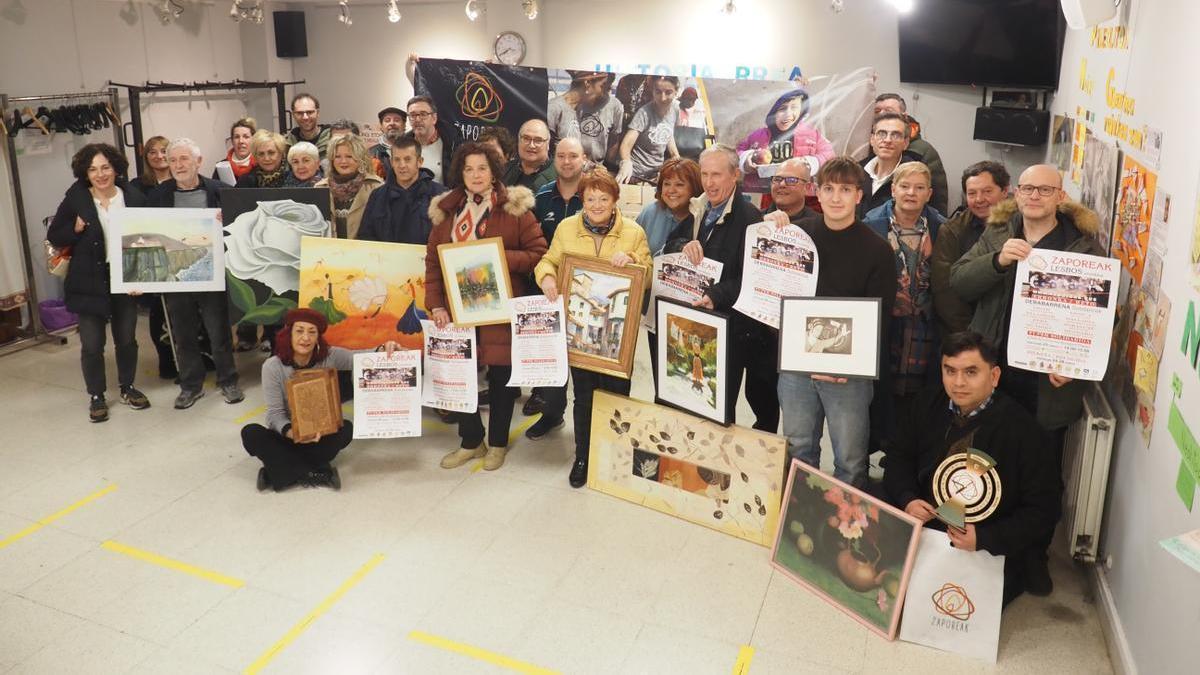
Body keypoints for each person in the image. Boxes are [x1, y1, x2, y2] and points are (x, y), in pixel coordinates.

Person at [950, 164, 1105, 594]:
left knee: (1039, 474)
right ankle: (970, 536)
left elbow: (1093, 320)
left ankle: (1033, 555)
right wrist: (998, 261)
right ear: (1016, 194)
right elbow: (960, 282)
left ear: (1060, 196)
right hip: (994, 373)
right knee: (976, 457)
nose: (1034, 196)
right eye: (1028, 188)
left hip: (1045, 384)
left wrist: (1072, 364)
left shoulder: (1082, 249)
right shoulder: (999, 234)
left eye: (1045, 189)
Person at [882, 331, 1061, 605]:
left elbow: (1043, 509)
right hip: (926, 521)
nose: (958, 383)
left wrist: (986, 538)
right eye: (949, 371)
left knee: (954, 607)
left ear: (995, 376)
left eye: (971, 372)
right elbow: (897, 457)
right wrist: (908, 499)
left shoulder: (1023, 430)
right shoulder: (926, 404)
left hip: (983, 538)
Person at [425, 142, 547, 471]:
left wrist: (499, 259)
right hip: (457, 310)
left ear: (494, 171)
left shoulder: (515, 208)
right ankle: (471, 441)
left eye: (482, 168)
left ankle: (497, 444)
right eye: (469, 169)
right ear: (459, 173)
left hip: (500, 309)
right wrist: (436, 305)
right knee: (459, 375)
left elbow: (539, 254)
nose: (476, 175)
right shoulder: (445, 212)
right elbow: (433, 264)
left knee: (501, 376)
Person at [776, 157, 896, 488]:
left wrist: (845, 364)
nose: (836, 197)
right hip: (796, 368)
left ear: (859, 195)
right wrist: (769, 229)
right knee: (799, 451)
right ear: (817, 192)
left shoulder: (878, 250)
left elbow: (880, 320)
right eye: (828, 188)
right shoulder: (798, 235)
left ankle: (845, 534)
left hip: (848, 374)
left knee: (851, 460)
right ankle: (799, 519)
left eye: (845, 189)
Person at [531, 167, 651, 486]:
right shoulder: (567, 228)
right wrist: (545, 278)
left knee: (617, 396)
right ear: (582, 199)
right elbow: (548, 261)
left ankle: (615, 456)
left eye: (604, 198)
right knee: (583, 396)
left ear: (615, 200)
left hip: (617, 335)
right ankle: (583, 455)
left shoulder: (633, 233)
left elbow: (648, 274)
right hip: (579, 331)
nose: (596, 204)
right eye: (590, 198)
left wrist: (634, 262)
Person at [662, 145, 772, 429]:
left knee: (719, 406)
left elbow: (755, 278)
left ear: (735, 175)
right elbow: (671, 244)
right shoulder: (699, 208)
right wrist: (683, 245)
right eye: (705, 174)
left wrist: (716, 294)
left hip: (731, 329)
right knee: (693, 396)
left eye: (717, 175)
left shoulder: (749, 218)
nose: (709, 182)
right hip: (696, 323)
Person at [46, 143, 151, 422]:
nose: (100, 174)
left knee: (127, 338)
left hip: (124, 277)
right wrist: (75, 228)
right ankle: (97, 395)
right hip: (88, 279)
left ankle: (127, 387)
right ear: (85, 173)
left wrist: (143, 276)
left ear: (115, 168)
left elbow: (149, 238)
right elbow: (55, 236)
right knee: (92, 343)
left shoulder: (133, 197)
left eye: (105, 167)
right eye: (93, 169)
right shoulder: (76, 198)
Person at [242, 308, 401, 491]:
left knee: (346, 429)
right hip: (288, 434)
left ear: (318, 337)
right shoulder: (272, 367)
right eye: (299, 331)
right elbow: (274, 414)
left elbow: (358, 358)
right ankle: (318, 472)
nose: (305, 338)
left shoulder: (329, 356)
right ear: (289, 334)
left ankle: (274, 473)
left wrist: (384, 348)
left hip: (320, 435)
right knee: (250, 432)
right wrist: (292, 433)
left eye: (312, 332)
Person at [147, 138, 244, 409]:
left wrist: (225, 224)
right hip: (175, 277)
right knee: (183, 333)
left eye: (184, 159)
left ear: (198, 162)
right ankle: (191, 385)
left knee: (218, 331)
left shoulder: (220, 191)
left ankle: (228, 380)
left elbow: (237, 227)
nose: (178, 165)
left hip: (211, 274)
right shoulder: (158, 196)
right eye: (174, 160)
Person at [862, 161, 946, 452]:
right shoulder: (870, 226)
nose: (911, 193)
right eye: (905, 186)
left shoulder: (941, 228)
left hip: (924, 327)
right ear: (893, 189)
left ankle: (903, 456)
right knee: (879, 393)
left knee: (917, 395)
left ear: (929, 193)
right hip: (884, 325)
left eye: (919, 187)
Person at [524, 136, 588, 418]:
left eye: (573, 156)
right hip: (547, 288)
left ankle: (586, 424)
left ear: (583, 158)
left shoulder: (594, 195)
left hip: (585, 291)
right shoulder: (541, 195)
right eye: (561, 156)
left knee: (583, 363)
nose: (566, 161)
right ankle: (552, 415)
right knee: (550, 357)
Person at [932, 161, 1010, 337]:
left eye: (987, 192)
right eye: (972, 193)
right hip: (966, 332)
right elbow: (945, 290)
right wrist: (971, 337)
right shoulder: (952, 230)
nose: (979, 199)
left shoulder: (1020, 224)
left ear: (1005, 191)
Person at [736, 88, 834, 195]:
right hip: (763, 194)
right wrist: (746, 160)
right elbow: (738, 151)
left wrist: (811, 163)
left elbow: (829, 154)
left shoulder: (812, 134)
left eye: (794, 108)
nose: (788, 114)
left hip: (800, 196)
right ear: (773, 112)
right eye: (782, 108)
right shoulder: (758, 135)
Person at [358, 135, 447, 244]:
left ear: (419, 161)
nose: (402, 165)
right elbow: (365, 236)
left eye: (407, 159)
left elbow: (446, 239)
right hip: (386, 259)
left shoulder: (439, 195)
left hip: (424, 260)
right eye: (397, 160)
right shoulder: (377, 196)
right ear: (391, 162)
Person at [873, 93, 948, 216]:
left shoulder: (923, 152)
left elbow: (937, 202)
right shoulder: (869, 148)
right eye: (877, 111)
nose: (882, 114)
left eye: (888, 110)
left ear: (904, 116)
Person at [546, 70, 625, 167]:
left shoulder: (579, 109)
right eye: (602, 86)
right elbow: (548, 151)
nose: (605, 93)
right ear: (587, 83)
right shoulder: (554, 108)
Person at [314, 133, 384, 239]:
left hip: (364, 252)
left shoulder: (375, 187)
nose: (343, 161)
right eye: (337, 156)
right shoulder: (320, 188)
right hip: (329, 252)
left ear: (360, 159)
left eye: (349, 156)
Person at [616, 75, 681, 185]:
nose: (663, 98)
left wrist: (675, 155)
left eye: (668, 92)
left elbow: (667, 132)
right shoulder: (644, 113)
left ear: (676, 92)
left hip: (657, 174)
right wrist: (626, 163)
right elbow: (626, 144)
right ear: (653, 91)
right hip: (635, 174)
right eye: (658, 92)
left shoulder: (675, 109)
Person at [858, 112, 921, 218]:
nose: (887, 140)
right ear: (872, 139)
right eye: (882, 133)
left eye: (895, 135)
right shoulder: (856, 172)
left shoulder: (915, 177)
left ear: (905, 143)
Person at [761, 157, 823, 229]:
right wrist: (761, 222)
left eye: (791, 180)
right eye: (777, 179)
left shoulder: (819, 226)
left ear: (807, 187)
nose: (782, 184)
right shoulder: (755, 220)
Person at [407, 95, 453, 184]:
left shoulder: (452, 144)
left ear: (434, 118)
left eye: (423, 114)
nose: (417, 119)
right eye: (412, 115)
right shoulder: (402, 145)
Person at [503, 119, 556, 191]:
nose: (531, 145)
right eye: (526, 138)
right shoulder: (505, 170)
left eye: (538, 140)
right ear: (519, 141)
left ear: (548, 144)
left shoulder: (558, 178)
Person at [285, 92, 332, 159]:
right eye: (299, 113)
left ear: (317, 113)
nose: (305, 117)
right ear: (293, 115)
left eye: (309, 112)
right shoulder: (287, 145)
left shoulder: (333, 139)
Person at [213, 117, 257, 184]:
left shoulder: (260, 164)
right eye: (236, 137)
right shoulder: (221, 167)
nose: (241, 141)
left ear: (253, 140)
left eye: (246, 137)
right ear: (232, 141)